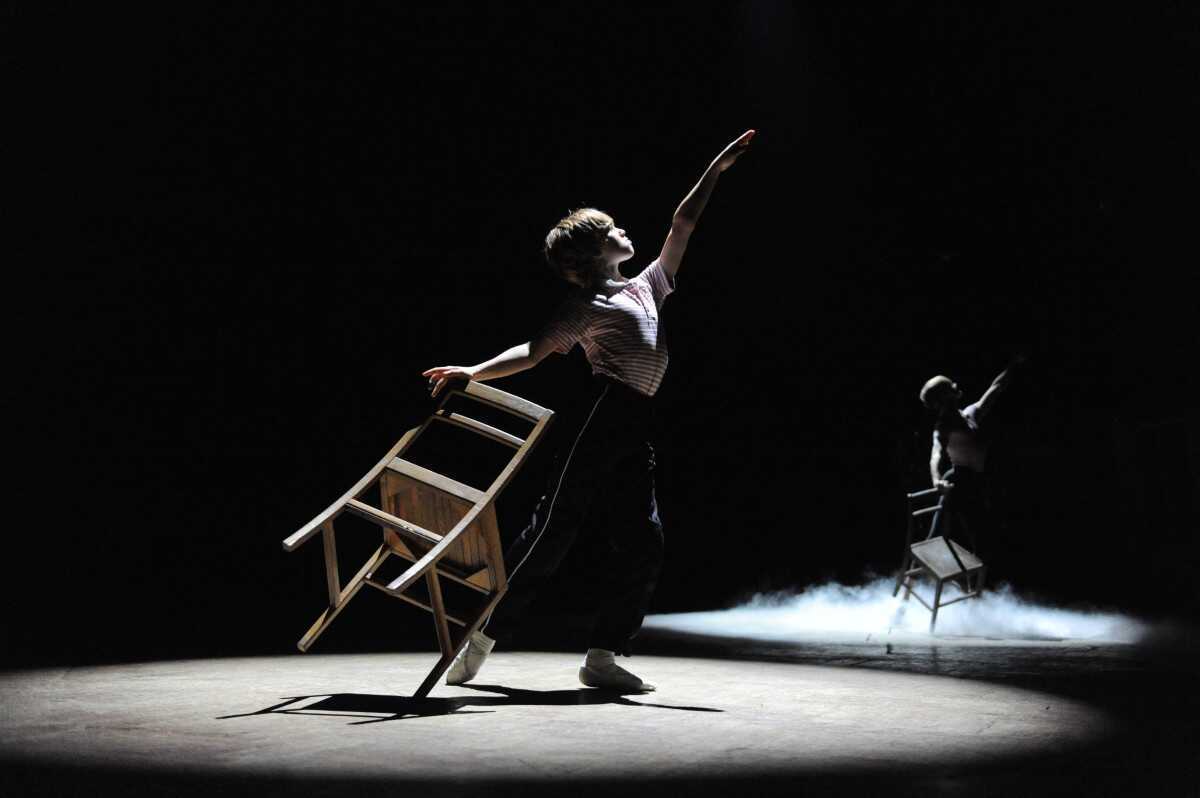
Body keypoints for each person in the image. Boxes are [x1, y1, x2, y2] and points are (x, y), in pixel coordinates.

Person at [423, 129, 756, 692]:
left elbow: (683, 222)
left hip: (636, 422)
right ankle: (480, 637)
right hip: (604, 416)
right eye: (613, 230)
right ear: (596, 250)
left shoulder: (648, 285)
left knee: (645, 540)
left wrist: (716, 170)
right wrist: (472, 371)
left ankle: (602, 657)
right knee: (555, 530)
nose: (626, 232)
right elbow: (534, 352)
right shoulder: (587, 303)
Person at [919, 359, 1021, 550]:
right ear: (942, 401)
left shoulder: (970, 413)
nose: (954, 387)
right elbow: (936, 454)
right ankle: (917, 566)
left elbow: (996, 387)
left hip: (976, 480)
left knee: (969, 533)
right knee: (975, 536)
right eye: (948, 388)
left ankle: (918, 565)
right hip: (960, 481)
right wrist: (936, 480)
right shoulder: (943, 427)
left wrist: (1014, 365)